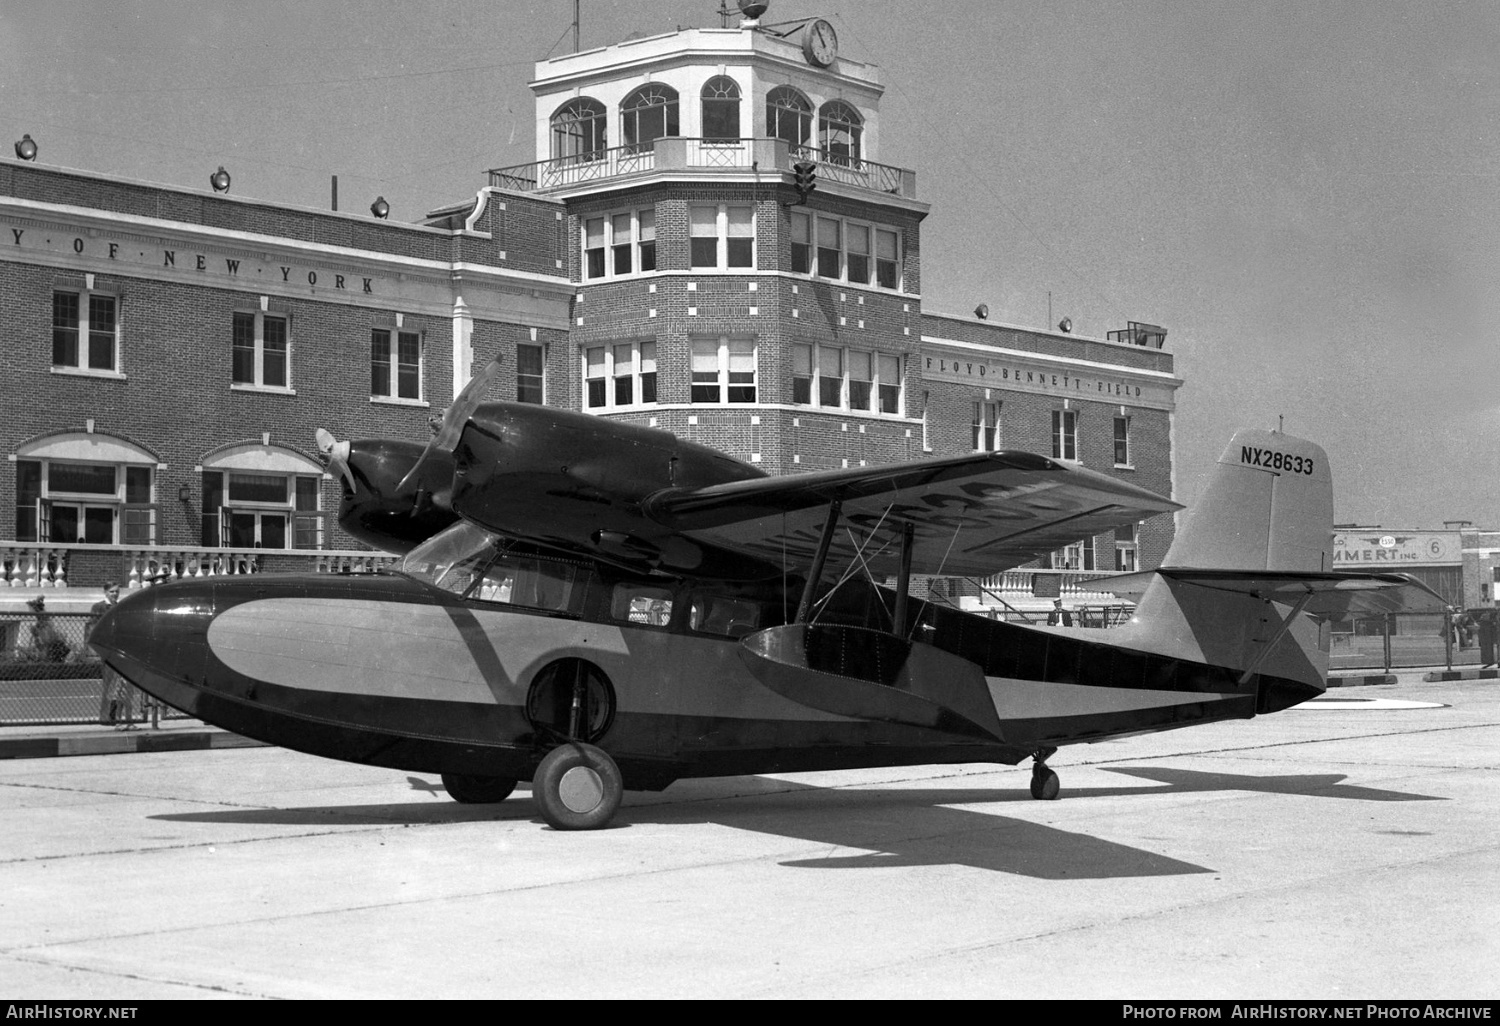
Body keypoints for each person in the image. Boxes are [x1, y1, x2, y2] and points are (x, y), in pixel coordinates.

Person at [90, 582, 137, 729]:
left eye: (116, 591)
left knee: (122, 687)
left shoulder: (120, 606)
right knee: (109, 685)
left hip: (120, 650)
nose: (115, 594)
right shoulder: (98, 607)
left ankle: (120, 718)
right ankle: (106, 717)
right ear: (105, 592)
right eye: (112, 592)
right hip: (107, 650)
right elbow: (94, 627)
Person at [24, 596, 70, 662]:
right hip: (49, 646)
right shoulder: (42, 621)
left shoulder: (44, 621)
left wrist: (36, 633)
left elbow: (46, 640)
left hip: (50, 647)